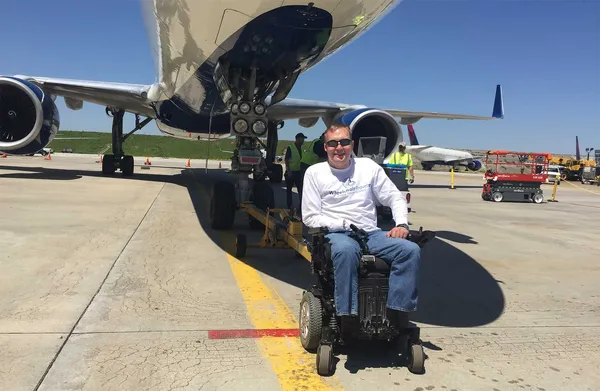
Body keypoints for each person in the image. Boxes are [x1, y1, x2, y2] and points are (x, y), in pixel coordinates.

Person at [301, 123, 421, 326]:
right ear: (325, 147)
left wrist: (401, 224)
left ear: (352, 144)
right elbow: (310, 217)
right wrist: (342, 223)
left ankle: (396, 313)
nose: (339, 148)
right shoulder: (315, 173)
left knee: (410, 250)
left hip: (370, 233)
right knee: (346, 251)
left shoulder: (368, 168)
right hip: (338, 234)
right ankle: (347, 316)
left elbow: (395, 197)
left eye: (344, 142)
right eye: (333, 143)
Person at [284, 132, 307, 211]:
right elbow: (286, 159)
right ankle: (289, 206)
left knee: (300, 190)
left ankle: (301, 206)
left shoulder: (302, 148)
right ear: (297, 139)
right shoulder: (291, 147)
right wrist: (288, 170)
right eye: (302, 139)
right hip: (291, 172)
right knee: (289, 190)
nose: (303, 140)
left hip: (298, 172)